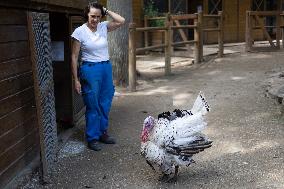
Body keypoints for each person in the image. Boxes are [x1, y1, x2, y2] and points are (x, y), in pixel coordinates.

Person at [71, 2, 125, 151]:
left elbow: (122, 21)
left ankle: (103, 133)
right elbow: (74, 56)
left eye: (98, 16)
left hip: (105, 67)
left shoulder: (103, 26)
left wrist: (105, 10)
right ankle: (92, 138)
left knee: (105, 102)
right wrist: (76, 79)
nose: (95, 19)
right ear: (87, 15)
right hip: (90, 69)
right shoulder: (79, 31)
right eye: (92, 16)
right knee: (92, 104)